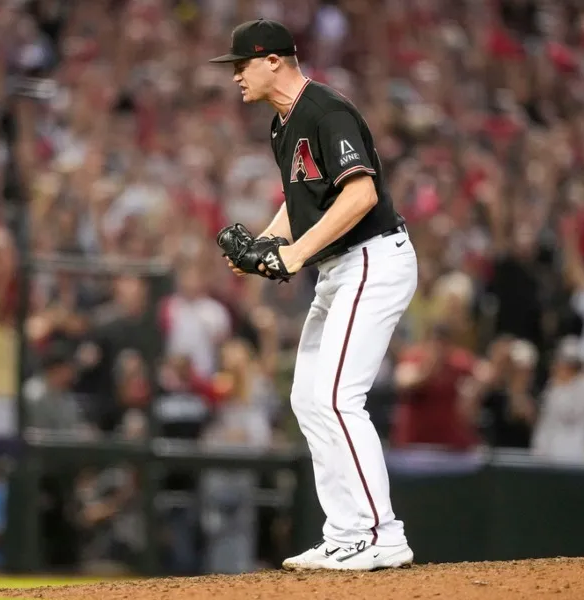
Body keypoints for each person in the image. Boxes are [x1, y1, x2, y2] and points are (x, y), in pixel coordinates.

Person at [210, 19, 415, 571]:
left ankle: (382, 532)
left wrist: (295, 255)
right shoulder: (283, 125)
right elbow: (300, 201)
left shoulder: (325, 111)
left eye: (240, 65)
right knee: (307, 397)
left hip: (372, 258)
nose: (235, 77)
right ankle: (347, 531)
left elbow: (361, 193)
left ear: (273, 60)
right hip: (340, 268)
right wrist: (265, 242)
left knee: (338, 398)